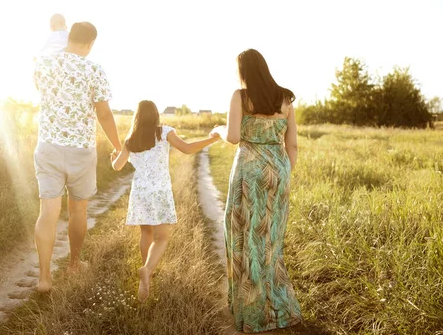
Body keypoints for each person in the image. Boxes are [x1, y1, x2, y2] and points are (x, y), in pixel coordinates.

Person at [213, 49, 302, 332]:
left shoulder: (240, 96)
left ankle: (250, 311)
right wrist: (284, 174)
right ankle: (278, 310)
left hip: (249, 172)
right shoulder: (285, 98)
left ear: (243, 71)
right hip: (278, 171)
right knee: (271, 243)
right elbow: (293, 145)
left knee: (243, 236)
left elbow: (233, 137)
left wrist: (218, 129)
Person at [33, 22, 123, 293]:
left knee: (48, 211)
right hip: (81, 150)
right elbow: (104, 115)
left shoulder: (43, 64)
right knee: (78, 209)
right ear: (90, 44)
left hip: (48, 147)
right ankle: (73, 263)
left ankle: (44, 278)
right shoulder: (94, 70)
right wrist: (118, 146)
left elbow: (40, 87)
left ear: (69, 38)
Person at [111, 100, 221, 301]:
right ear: (155, 115)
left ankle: (147, 273)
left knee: (146, 232)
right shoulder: (163, 132)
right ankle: (147, 270)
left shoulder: (130, 139)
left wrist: (113, 159)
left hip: (141, 191)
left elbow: (118, 166)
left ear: (137, 116)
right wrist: (212, 139)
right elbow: (187, 149)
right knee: (161, 237)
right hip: (160, 191)